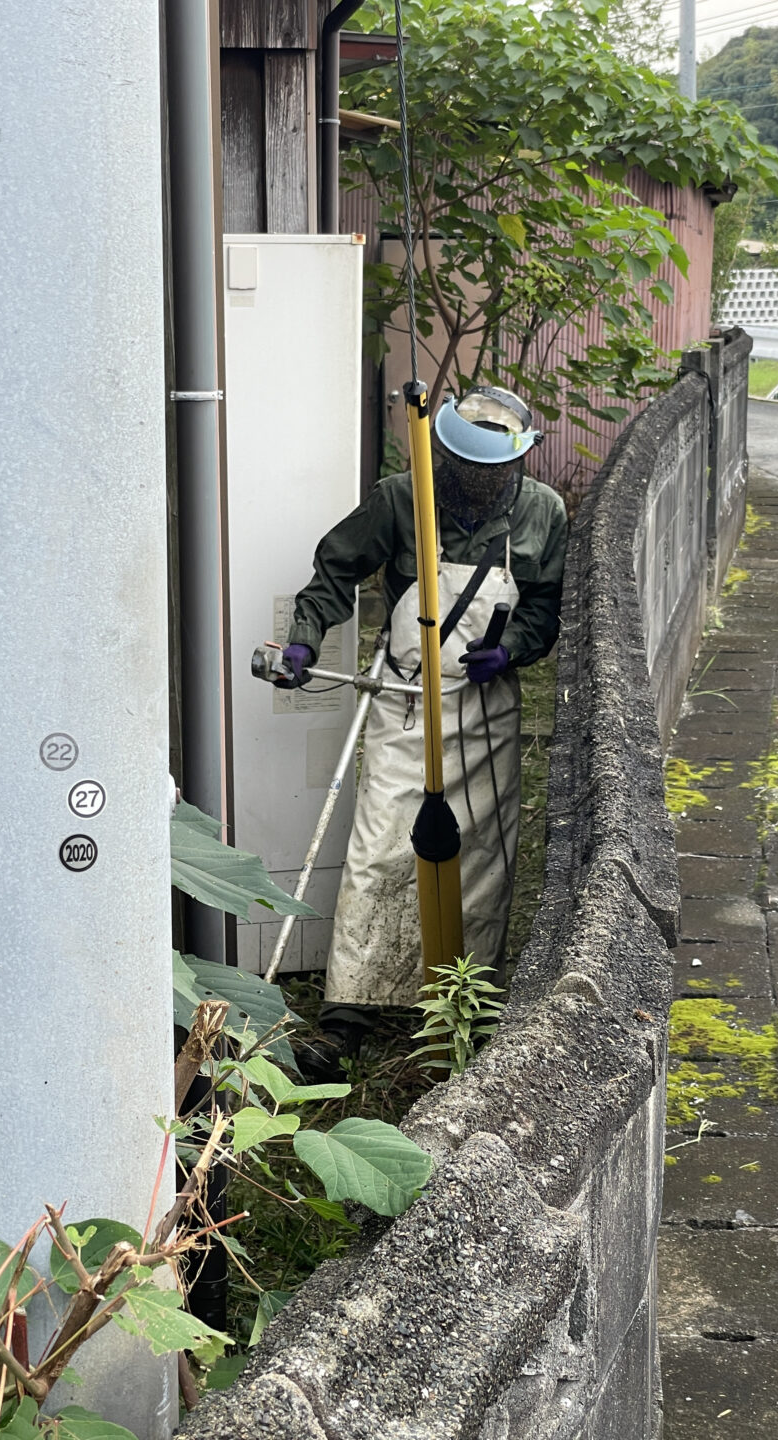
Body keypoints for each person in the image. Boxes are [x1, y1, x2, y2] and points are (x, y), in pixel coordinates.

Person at [274, 384, 568, 1069]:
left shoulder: (542, 514)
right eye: (466, 467)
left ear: (518, 462)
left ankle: (461, 1017)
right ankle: (350, 1015)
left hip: (484, 711)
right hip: (406, 701)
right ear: (442, 449)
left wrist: (516, 646)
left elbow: (545, 607)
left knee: (478, 863)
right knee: (380, 850)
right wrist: (304, 639)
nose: (479, 483)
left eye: (494, 471)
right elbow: (334, 571)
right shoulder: (402, 498)